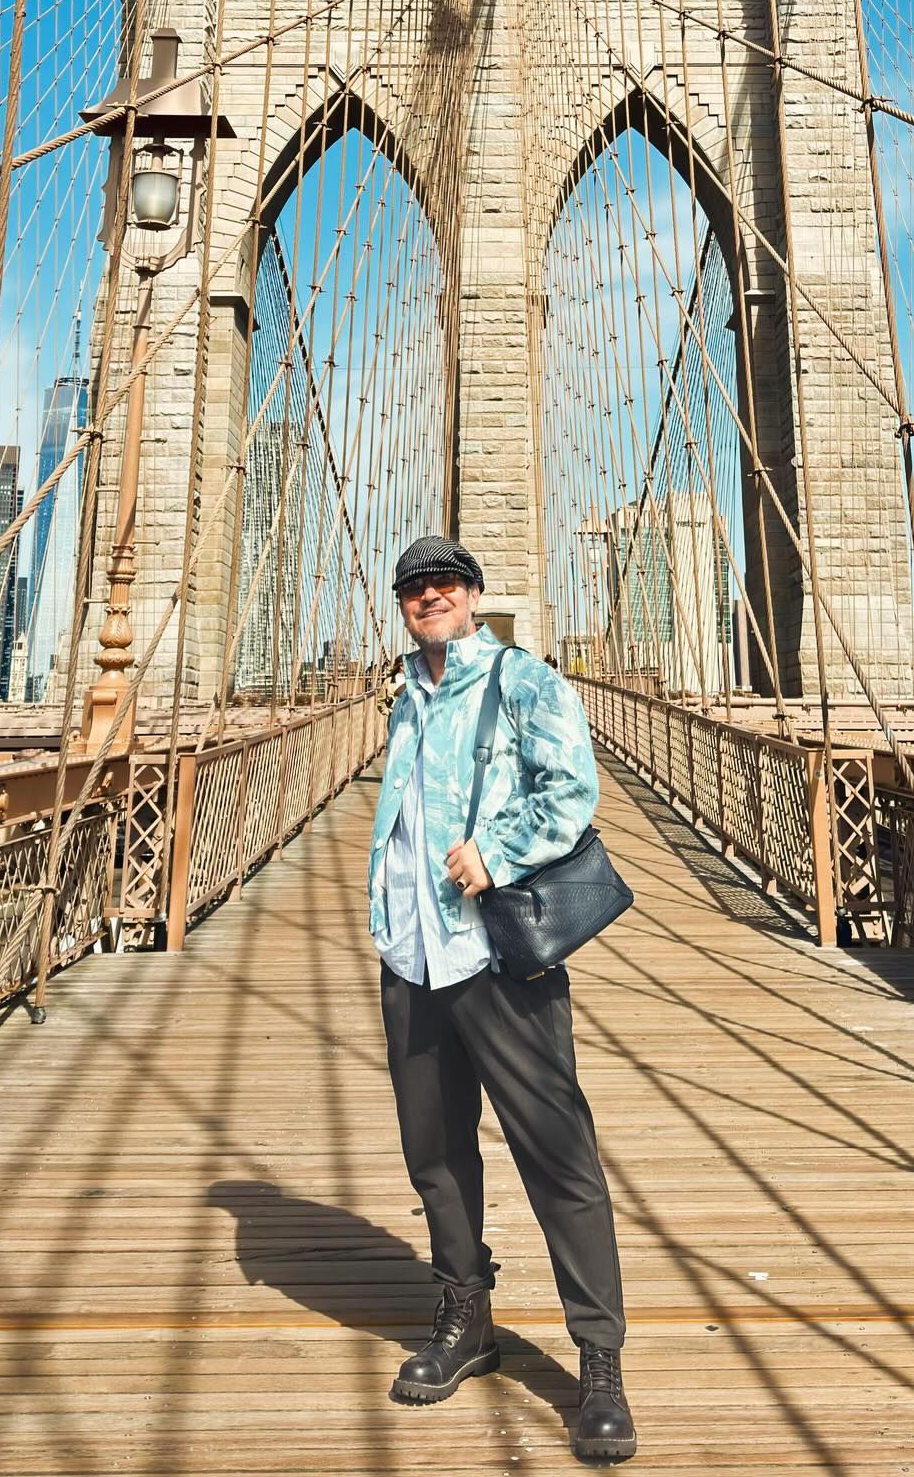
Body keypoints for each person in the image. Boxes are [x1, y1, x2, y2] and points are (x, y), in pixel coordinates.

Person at [369, 534, 636, 1462]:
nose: (430, 594)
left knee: (557, 1153)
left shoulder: (523, 681)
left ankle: (599, 1360)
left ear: (474, 594)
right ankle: (466, 1318)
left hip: (496, 957)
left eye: (446, 580)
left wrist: (498, 850)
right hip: (411, 954)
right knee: (435, 1153)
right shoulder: (404, 695)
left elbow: (572, 791)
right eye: (414, 585)